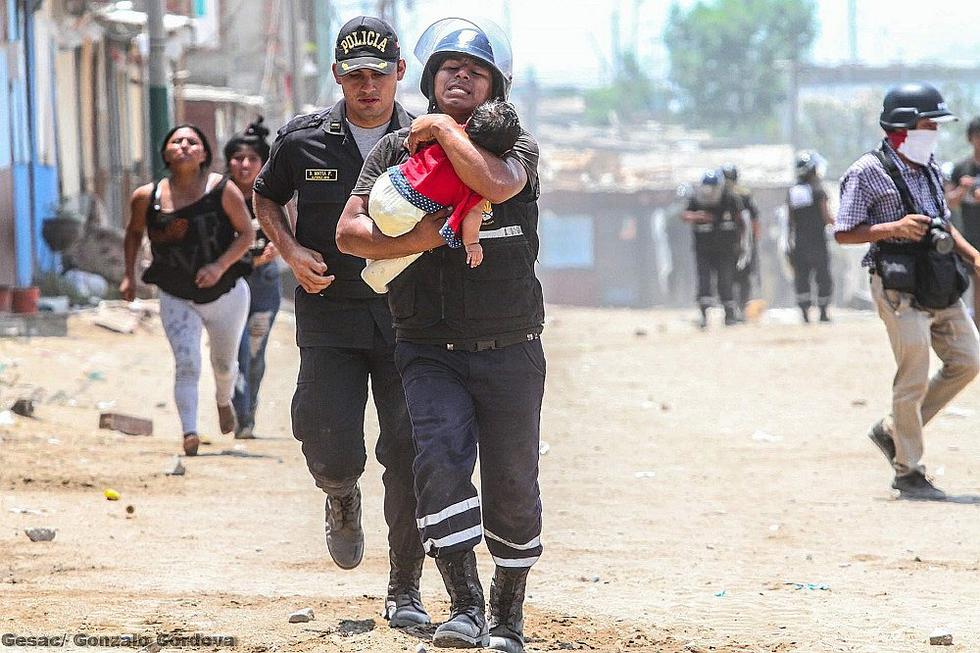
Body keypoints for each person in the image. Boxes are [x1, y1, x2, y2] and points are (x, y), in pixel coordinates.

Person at [337, 17, 543, 652]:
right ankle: (466, 607)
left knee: (511, 483)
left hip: (511, 349)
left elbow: (495, 184)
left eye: (475, 70)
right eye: (449, 67)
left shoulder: (517, 147)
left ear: (495, 88)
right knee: (439, 466)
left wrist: (444, 132)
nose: (460, 76)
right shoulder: (395, 151)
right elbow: (349, 235)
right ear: (428, 79)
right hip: (427, 348)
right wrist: (430, 236)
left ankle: (508, 616)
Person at [252, 16, 429, 628]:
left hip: (410, 321)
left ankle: (405, 587)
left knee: (409, 454)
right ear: (338, 77)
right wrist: (291, 253)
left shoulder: (430, 139)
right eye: (355, 75)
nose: (368, 86)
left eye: (379, 74)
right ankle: (339, 495)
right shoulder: (303, 139)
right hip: (329, 316)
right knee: (327, 440)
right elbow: (265, 195)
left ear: (400, 74)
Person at [834, 82, 980, 500]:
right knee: (912, 374)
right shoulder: (865, 172)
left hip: (939, 278)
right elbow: (844, 232)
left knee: (968, 361)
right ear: (901, 125)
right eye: (927, 123)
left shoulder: (931, 166)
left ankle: (894, 431)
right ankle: (908, 471)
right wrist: (892, 229)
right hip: (897, 284)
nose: (933, 130)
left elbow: (943, 221)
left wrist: (973, 256)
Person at [121, 124, 254, 456]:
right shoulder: (146, 197)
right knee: (187, 362)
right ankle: (189, 432)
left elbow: (246, 235)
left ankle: (224, 401)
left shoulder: (223, 190)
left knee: (224, 366)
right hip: (176, 292)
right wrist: (129, 275)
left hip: (226, 293)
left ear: (204, 153)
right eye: (175, 141)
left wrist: (219, 266)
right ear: (165, 153)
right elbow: (134, 233)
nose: (183, 146)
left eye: (191, 141)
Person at [361, 98, 522, 292]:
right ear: (505, 151)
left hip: (386, 186)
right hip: (405, 215)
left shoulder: (444, 133)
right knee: (432, 236)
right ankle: (379, 273)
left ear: (470, 122)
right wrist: (472, 244)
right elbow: (473, 214)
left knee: (392, 225)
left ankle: (372, 254)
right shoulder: (480, 181)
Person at [225, 118, 281, 439]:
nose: (244, 165)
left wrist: (277, 249)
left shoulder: (274, 194)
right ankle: (238, 410)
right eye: (238, 159)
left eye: (252, 159)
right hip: (230, 283)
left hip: (264, 283)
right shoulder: (218, 195)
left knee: (255, 354)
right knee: (234, 351)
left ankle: (249, 410)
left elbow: (290, 227)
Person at [681, 169, 742, 327]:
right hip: (704, 250)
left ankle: (729, 315)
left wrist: (741, 244)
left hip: (725, 250)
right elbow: (685, 215)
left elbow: (742, 221)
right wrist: (699, 216)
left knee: (725, 281)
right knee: (704, 282)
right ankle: (704, 315)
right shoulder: (696, 200)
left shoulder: (730, 200)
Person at [787, 150, 834, 323]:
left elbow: (790, 219)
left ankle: (805, 314)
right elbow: (826, 216)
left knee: (802, 277)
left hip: (799, 241)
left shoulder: (793, 191)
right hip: (817, 241)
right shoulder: (818, 190)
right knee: (822, 276)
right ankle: (823, 313)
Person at [944, 117, 980, 327]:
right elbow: (950, 202)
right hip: (966, 236)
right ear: (970, 138)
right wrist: (964, 189)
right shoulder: (961, 168)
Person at [722, 163, 759, 319]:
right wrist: (753, 241)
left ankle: (734, 310)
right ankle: (740, 309)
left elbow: (753, 220)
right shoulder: (743, 194)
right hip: (743, 243)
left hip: (728, 243)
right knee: (742, 277)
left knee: (728, 276)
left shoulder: (722, 195)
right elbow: (755, 220)